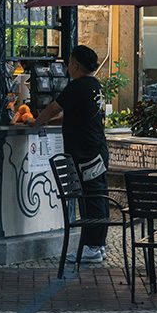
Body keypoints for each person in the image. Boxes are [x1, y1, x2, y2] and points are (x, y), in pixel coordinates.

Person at [35, 44, 109, 264]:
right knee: (97, 196)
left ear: (76, 64)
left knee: (91, 199)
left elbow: (52, 109)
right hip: (96, 150)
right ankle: (98, 244)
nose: (68, 66)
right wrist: (46, 121)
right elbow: (74, 116)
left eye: (69, 62)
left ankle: (92, 247)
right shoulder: (94, 85)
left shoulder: (77, 86)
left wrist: (36, 122)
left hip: (86, 153)